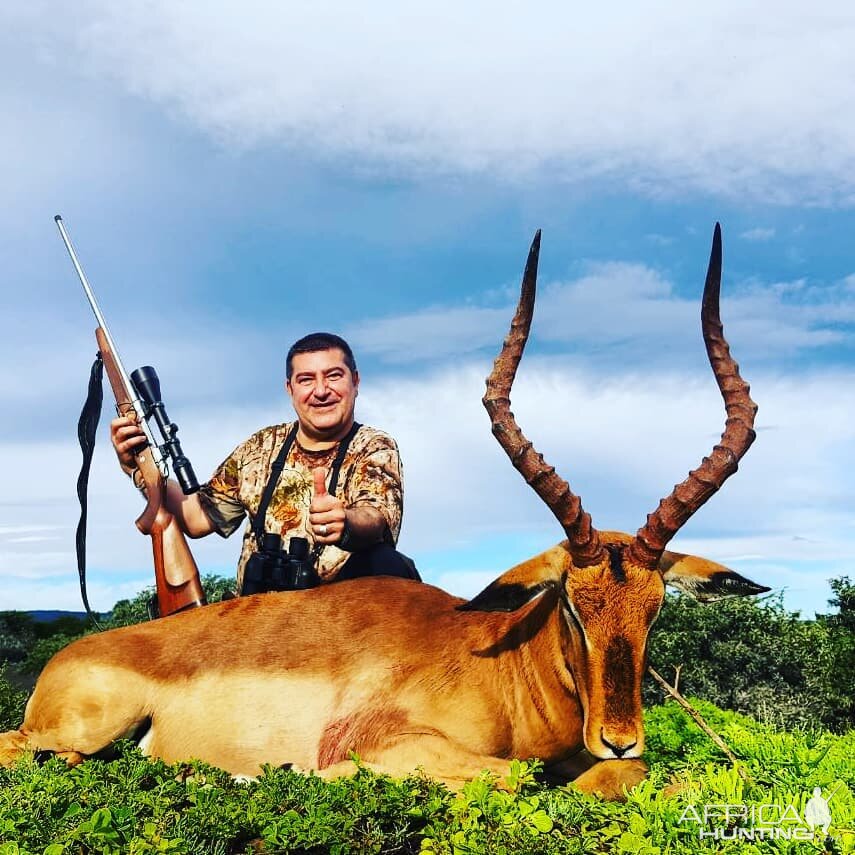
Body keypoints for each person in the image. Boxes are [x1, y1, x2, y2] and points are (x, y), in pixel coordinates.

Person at [111, 332, 418, 592]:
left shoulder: (375, 446)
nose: (321, 391)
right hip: (259, 619)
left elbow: (376, 518)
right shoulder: (260, 448)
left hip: (339, 622)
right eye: (306, 379)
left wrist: (346, 522)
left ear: (355, 381)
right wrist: (138, 467)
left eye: (334, 376)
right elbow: (195, 518)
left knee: (388, 563)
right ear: (290, 389)